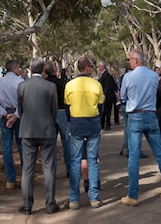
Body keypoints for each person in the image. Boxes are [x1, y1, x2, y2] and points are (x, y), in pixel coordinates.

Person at [118, 49, 161, 206]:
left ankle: (133, 195)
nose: (129, 62)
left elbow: (123, 97)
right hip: (151, 115)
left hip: (135, 115)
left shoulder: (128, 77)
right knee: (160, 154)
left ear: (136, 60)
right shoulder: (154, 75)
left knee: (134, 157)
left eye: (130, 59)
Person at [14, 57, 60, 215]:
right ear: (42, 70)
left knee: (27, 169)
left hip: (28, 131)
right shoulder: (50, 86)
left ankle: (27, 205)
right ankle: (50, 203)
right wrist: (50, 122)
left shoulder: (22, 86)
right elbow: (54, 110)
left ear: (30, 69)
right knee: (49, 168)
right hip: (47, 130)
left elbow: (20, 110)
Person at [64, 56, 103, 209]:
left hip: (76, 124)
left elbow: (67, 108)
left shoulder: (69, 85)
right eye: (92, 66)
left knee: (75, 161)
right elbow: (101, 107)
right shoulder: (96, 84)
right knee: (93, 161)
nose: (93, 68)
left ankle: (74, 199)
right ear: (87, 68)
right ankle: (94, 197)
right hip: (92, 123)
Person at [0, 59, 24, 189]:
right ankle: (25, 176)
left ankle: (10, 179)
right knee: (22, 147)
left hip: (5, 116)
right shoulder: (21, 82)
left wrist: (5, 114)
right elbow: (24, 102)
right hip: (19, 117)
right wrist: (15, 115)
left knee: (6, 148)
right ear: (15, 68)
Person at [44, 60, 71, 179]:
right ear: (55, 71)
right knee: (67, 142)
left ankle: (52, 170)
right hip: (62, 112)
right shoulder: (63, 83)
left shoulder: (44, 84)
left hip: (49, 114)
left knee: (51, 144)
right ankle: (70, 169)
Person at [97, 61, 117, 130]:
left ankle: (107, 125)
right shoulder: (102, 75)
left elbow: (107, 86)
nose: (98, 68)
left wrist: (104, 95)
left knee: (107, 111)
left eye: (99, 66)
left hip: (107, 97)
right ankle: (102, 125)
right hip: (104, 96)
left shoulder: (106, 75)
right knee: (104, 111)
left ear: (103, 67)